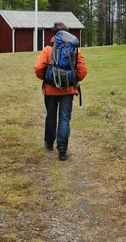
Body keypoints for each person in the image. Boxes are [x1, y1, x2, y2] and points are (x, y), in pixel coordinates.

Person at [34, 22, 88, 161]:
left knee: (51, 116)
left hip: (50, 90)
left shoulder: (48, 49)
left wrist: (47, 79)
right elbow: (83, 71)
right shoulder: (75, 50)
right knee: (64, 119)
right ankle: (62, 149)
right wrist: (72, 80)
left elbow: (38, 68)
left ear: (54, 34)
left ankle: (49, 143)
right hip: (68, 90)